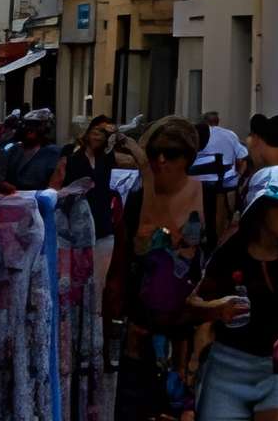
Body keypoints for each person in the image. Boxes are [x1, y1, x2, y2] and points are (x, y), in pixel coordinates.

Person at [112, 114, 212, 419]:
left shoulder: (208, 196)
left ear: (188, 157)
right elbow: (138, 247)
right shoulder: (139, 197)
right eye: (155, 154)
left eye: (171, 154)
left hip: (187, 327)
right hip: (142, 324)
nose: (161, 161)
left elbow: (214, 258)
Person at [189, 165, 278, 418]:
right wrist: (216, 309)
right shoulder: (231, 252)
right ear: (261, 210)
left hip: (272, 374)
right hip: (225, 371)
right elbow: (191, 305)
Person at [61, 115, 121, 300]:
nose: (99, 137)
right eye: (97, 132)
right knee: (78, 281)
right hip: (79, 227)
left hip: (103, 226)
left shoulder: (109, 159)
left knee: (99, 284)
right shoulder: (73, 159)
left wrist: (118, 136)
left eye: (104, 134)